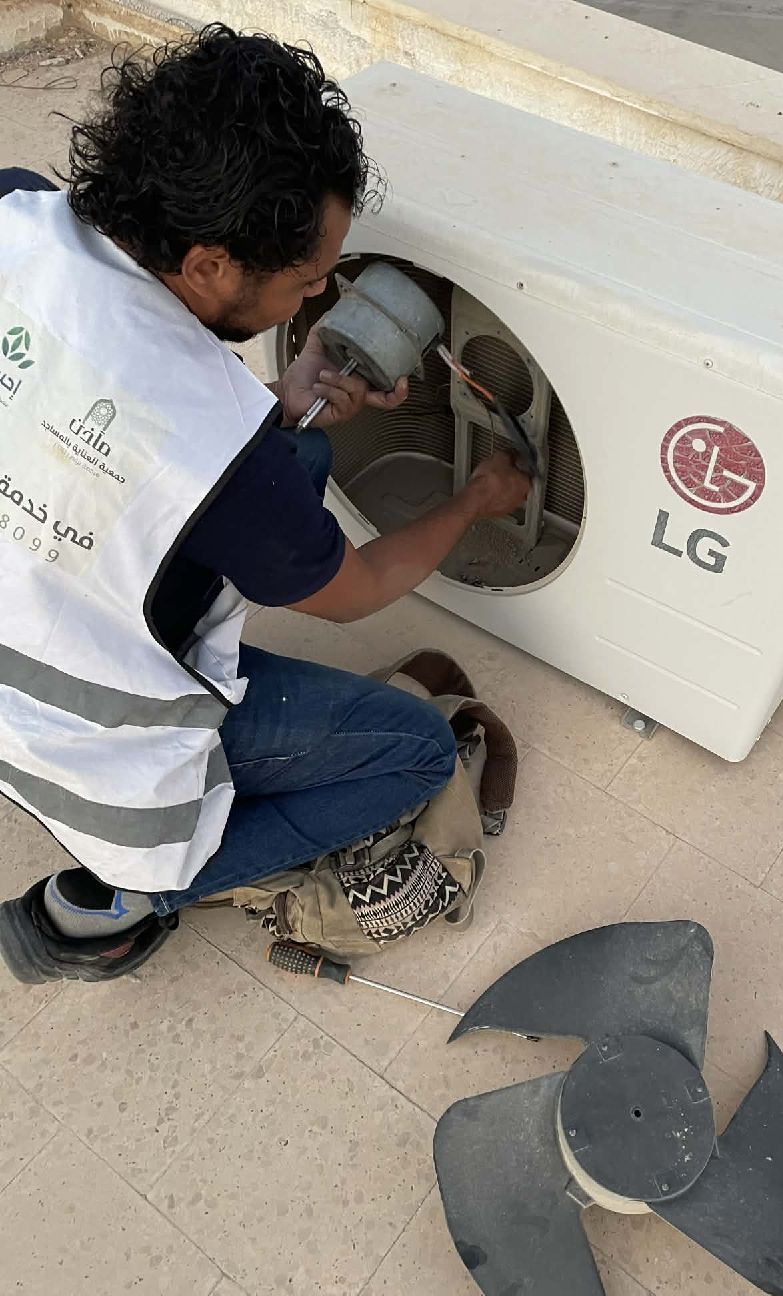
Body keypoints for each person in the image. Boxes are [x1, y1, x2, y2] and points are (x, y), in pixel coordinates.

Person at [0, 25, 530, 983]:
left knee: (304, 452)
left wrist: (278, 409)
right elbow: (356, 589)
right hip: (83, 741)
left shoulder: (14, 210)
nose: (315, 298)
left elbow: (104, 412)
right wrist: (476, 501)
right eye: (307, 279)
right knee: (415, 753)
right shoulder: (226, 455)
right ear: (209, 265)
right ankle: (131, 894)